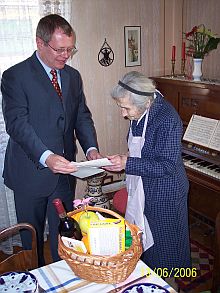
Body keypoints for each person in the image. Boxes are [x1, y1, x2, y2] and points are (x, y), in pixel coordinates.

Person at [1, 14, 101, 266]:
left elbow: (81, 116)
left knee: (64, 238)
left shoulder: (73, 77)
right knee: (31, 243)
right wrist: (47, 157)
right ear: (40, 43)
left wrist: (91, 149)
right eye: (60, 49)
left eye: (70, 49)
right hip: (29, 173)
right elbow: (17, 125)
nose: (66, 55)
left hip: (65, 173)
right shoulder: (14, 76)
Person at [106, 71, 191, 272]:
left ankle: (167, 284)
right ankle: (147, 278)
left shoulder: (167, 119)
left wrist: (127, 164)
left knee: (166, 252)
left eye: (125, 108)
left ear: (144, 102)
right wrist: (122, 160)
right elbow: (139, 149)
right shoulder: (140, 111)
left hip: (165, 194)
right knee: (144, 246)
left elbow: (167, 165)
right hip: (143, 189)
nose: (123, 114)